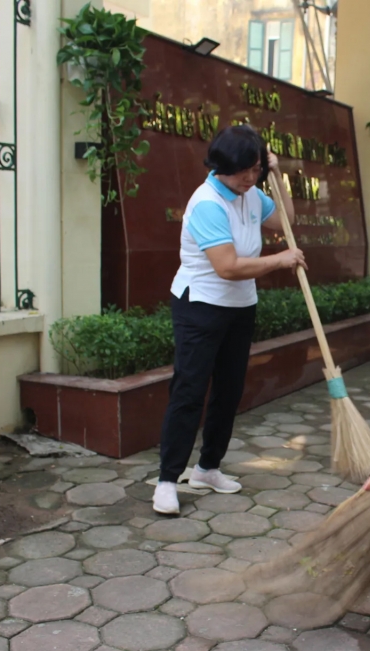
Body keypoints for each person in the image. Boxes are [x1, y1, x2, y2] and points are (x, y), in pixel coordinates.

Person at [153, 125, 305, 515]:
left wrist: (277, 175)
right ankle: (168, 481)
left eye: (257, 170)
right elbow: (228, 266)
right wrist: (280, 259)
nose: (250, 178)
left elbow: (285, 219)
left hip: (240, 307)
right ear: (222, 166)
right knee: (189, 391)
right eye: (245, 171)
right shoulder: (207, 204)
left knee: (229, 389)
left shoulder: (252, 194)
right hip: (201, 306)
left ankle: (207, 468)